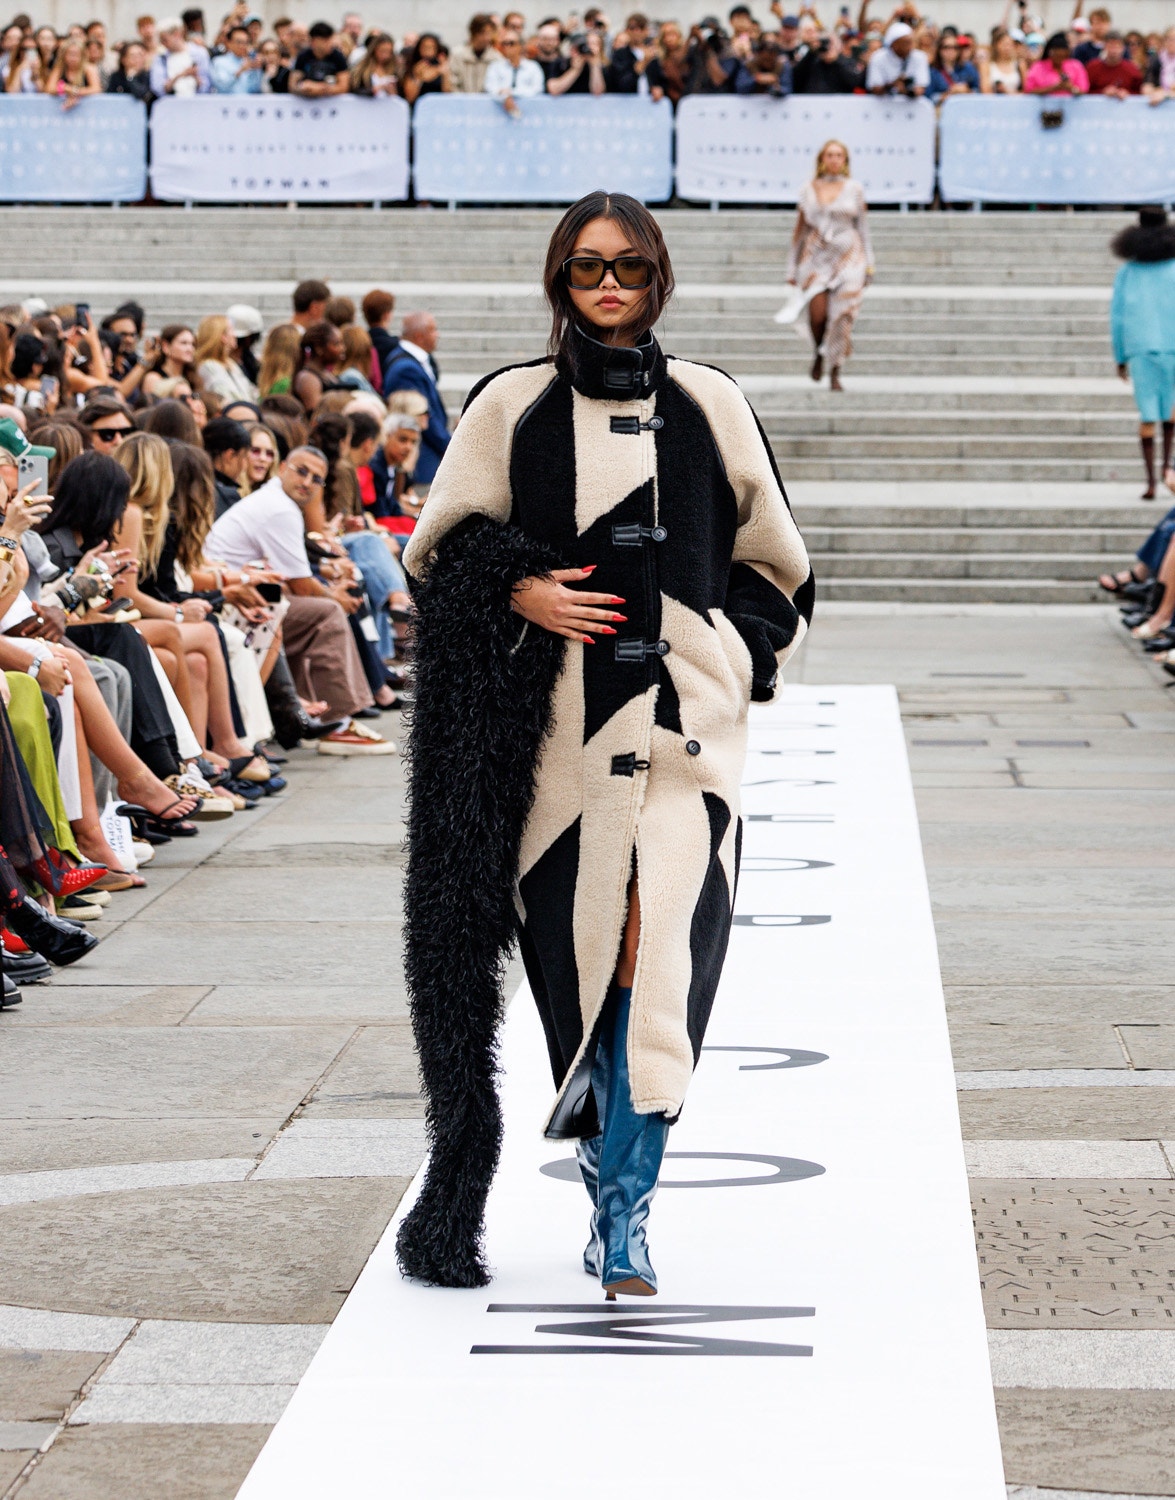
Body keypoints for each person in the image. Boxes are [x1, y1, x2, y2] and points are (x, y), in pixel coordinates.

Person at [395, 190, 812, 1294]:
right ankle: (606, 1193)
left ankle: (624, 1218)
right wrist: (517, 587)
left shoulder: (711, 401)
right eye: (587, 267)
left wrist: (731, 657)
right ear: (559, 279)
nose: (609, 284)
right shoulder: (511, 405)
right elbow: (437, 553)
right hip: (551, 758)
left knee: (657, 959)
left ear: (658, 275)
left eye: (628, 265)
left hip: (683, 741)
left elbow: (776, 562)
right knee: (581, 979)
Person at [206, 446, 394, 754]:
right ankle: (338, 722)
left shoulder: (276, 500)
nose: (307, 482)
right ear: (282, 468)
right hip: (230, 603)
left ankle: (313, 715)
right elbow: (301, 585)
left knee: (317, 609)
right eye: (301, 471)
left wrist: (329, 579)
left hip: (247, 599)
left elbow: (294, 577)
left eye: (316, 479)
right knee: (327, 613)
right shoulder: (280, 508)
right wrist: (334, 596)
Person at [787, 139, 873, 392]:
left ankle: (835, 369)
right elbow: (799, 231)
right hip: (816, 256)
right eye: (830, 155)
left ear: (845, 160)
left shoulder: (855, 189)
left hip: (850, 257)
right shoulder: (808, 189)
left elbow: (863, 228)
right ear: (822, 159)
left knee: (842, 316)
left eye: (839, 155)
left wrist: (870, 264)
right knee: (818, 315)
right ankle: (819, 351)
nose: (834, 159)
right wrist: (791, 268)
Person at [1111, 208, 1175, 501]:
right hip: (1172, 343)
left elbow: (1117, 317)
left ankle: (1150, 481)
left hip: (1139, 346)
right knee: (1171, 409)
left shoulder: (1128, 272)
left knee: (1147, 413)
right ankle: (1167, 469)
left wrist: (1120, 356)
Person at [381, 313, 449, 488]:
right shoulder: (405, 368)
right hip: (421, 464)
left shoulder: (413, 361)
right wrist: (448, 446)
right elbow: (416, 415)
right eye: (433, 330)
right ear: (419, 335)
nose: (438, 335)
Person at [194, 314, 258, 403]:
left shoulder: (231, 363)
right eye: (231, 330)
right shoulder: (208, 367)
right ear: (223, 337)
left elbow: (251, 391)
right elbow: (225, 396)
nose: (235, 334)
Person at [149, 16, 210, 96]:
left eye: (165, 40)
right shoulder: (160, 58)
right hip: (171, 101)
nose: (163, 44)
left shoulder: (200, 53)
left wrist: (195, 78)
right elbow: (158, 88)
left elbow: (206, 86)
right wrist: (182, 75)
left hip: (196, 101)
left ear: (177, 34)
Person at [865, 20, 928, 93]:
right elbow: (875, 88)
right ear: (894, 44)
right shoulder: (878, 57)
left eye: (912, 42)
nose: (911, 46)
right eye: (906, 43)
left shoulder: (919, 57)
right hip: (884, 100)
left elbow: (920, 89)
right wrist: (893, 85)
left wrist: (906, 89)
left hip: (910, 100)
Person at [290, 20, 350, 96]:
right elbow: (293, 85)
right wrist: (303, 88)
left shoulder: (338, 56)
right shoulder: (303, 56)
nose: (331, 44)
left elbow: (344, 86)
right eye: (326, 41)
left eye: (331, 40)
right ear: (314, 41)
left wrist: (321, 88)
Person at [484, 28, 544, 98]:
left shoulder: (533, 67)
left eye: (511, 43)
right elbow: (490, 88)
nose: (507, 46)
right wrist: (503, 95)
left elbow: (537, 89)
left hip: (527, 104)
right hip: (501, 103)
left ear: (520, 45)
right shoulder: (495, 67)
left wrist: (512, 93)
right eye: (504, 43)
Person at [793, 29, 861, 91]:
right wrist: (812, 52)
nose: (828, 46)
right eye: (825, 42)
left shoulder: (847, 62)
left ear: (839, 45)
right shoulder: (812, 62)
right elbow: (796, 78)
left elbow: (854, 82)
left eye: (831, 43)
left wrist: (836, 60)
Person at [450, 12, 502, 92]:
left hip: (486, 99)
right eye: (482, 33)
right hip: (461, 98)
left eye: (489, 33)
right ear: (473, 33)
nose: (486, 38)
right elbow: (453, 83)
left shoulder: (496, 58)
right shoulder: (457, 55)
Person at [1024, 32, 1089, 92]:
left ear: (1067, 54)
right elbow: (1029, 89)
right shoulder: (1038, 66)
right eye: (1057, 56)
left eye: (1063, 56)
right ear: (1050, 53)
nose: (1059, 59)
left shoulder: (1076, 66)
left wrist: (1070, 88)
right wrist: (1055, 87)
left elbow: (1083, 90)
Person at [46, 36, 101, 106]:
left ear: (82, 56)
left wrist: (75, 92)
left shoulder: (88, 68)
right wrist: (65, 89)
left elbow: (96, 89)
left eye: (76, 55)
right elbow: (49, 88)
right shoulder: (60, 69)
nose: (73, 58)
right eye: (70, 54)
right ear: (64, 55)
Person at [209, 23, 262, 92]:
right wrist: (240, 71)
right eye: (239, 42)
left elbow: (254, 89)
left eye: (245, 42)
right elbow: (222, 86)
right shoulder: (219, 62)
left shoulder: (249, 62)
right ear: (229, 43)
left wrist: (256, 71)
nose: (242, 46)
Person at [400, 32, 450, 101]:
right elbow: (410, 97)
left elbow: (447, 93)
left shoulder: (441, 66)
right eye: (425, 47)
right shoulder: (414, 67)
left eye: (432, 47)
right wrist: (417, 77)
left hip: (438, 103)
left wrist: (445, 74)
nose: (428, 51)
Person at [980, 27, 1023, 91]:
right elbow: (985, 90)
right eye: (1004, 44)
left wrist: (1007, 92)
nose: (1007, 48)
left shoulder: (1019, 64)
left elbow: (1026, 90)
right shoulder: (986, 65)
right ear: (996, 45)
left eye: (1010, 44)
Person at [1143, 26, 1175, 103]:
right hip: (1158, 103)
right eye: (1169, 39)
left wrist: (1165, 94)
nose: (1171, 42)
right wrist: (1156, 91)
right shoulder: (1156, 60)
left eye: (1174, 39)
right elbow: (1146, 87)